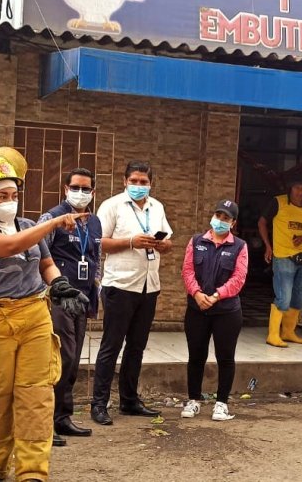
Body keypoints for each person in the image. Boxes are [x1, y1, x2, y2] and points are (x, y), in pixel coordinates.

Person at [0, 147, 90, 482]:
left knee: (36, 396)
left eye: (14, 194)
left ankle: (32, 470)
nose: (9, 200)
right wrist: (53, 225)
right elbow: (10, 247)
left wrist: (60, 285)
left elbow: (46, 263)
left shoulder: (30, 225)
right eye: (1, 195)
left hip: (34, 315)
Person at [90, 161, 173, 426]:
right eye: (134, 181)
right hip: (120, 286)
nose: (139, 186)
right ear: (124, 181)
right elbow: (99, 242)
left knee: (136, 346)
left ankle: (129, 400)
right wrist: (130, 242)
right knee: (111, 346)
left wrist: (160, 244)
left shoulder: (156, 207)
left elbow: (169, 242)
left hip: (149, 286)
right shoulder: (112, 205)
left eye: (144, 182)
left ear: (151, 183)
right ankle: (99, 404)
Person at [38, 168, 103, 446]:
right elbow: (41, 255)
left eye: (86, 188)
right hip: (59, 299)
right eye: (75, 187)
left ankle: (63, 417)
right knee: (58, 360)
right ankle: (44, 422)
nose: (81, 193)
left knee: (73, 361)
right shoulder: (51, 218)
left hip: (83, 298)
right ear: (65, 188)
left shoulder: (94, 221)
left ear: (92, 192)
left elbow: (95, 255)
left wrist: (95, 284)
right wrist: (51, 289)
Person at [180, 199, 248, 422]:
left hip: (226, 311)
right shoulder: (197, 241)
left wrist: (217, 295)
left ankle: (221, 403)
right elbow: (188, 271)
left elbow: (238, 278)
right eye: (218, 215)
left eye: (226, 218)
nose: (220, 220)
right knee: (196, 355)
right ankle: (193, 400)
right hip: (197, 308)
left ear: (233, 222)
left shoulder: (239, 246)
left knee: (225, 357)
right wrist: (198, 294)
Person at [257, 175, 302, 348]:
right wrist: (268, 246)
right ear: (290, 189)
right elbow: (262, 223)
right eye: (297, 188)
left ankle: (288, 332)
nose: (300, 192)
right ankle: (273, 334)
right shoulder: (278, 202)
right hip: (283, 256)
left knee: (299, 298)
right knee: (284, 296)